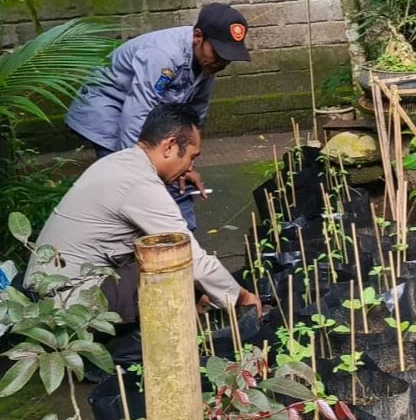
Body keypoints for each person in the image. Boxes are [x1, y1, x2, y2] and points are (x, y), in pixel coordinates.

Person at [26, 103, 262, 325]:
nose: (190, 167)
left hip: (50, 289)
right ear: (169, 147)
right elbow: (190, 257)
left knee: (171, 266)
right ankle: (134, 354)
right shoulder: (139, 183)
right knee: (176, 270)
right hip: (67, 301)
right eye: (191, 157)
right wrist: (241, 298)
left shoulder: (119, 163)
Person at [65, 2, 251, 230]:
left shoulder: (207, 64)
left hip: (143, 115)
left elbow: (194, 116)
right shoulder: (162, 55)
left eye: (228, 58)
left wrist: (186, 164)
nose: (222, 63)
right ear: (198, 37)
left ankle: (180, 244)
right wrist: (140, 172)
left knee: (172, 177)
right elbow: (136, 116)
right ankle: (126, 241)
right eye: (219, 54)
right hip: (108, 111)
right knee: (128, 184)